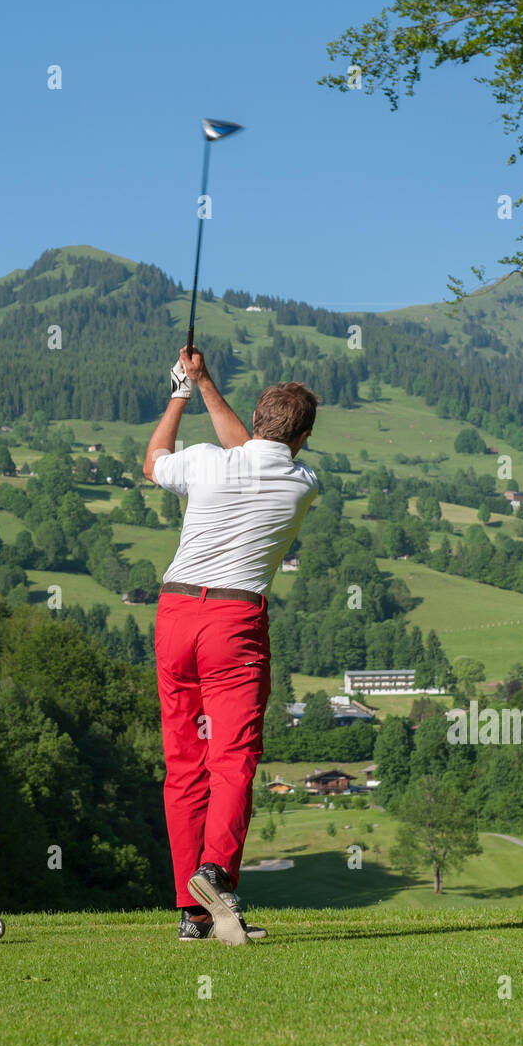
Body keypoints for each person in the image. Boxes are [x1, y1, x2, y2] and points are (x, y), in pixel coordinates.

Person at [143, 345, 320, 945]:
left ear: (257, 417)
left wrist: (184, 390)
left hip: (174, 612)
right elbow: (256, 448)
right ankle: (215, 873)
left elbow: (154, 461)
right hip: (233, 625)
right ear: (303, 438)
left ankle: (192, 915)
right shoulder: (302, 482)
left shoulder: (207, 463)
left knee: (184, 766)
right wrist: (204, 382)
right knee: (233, 759)